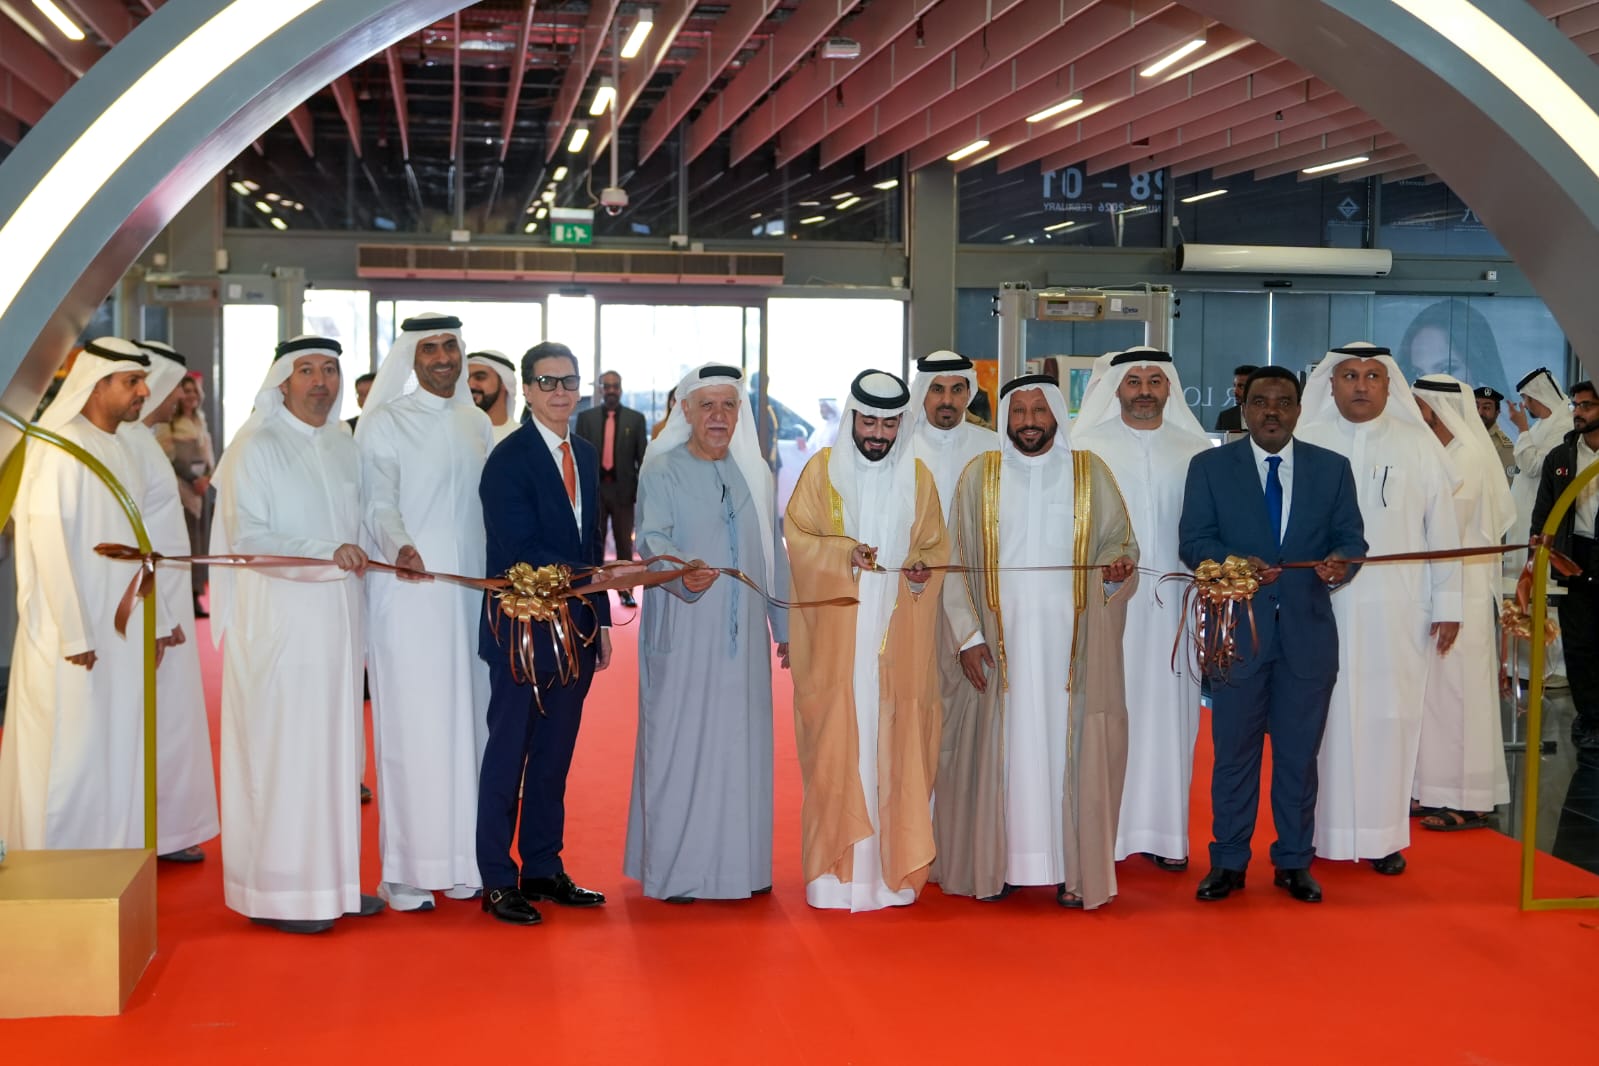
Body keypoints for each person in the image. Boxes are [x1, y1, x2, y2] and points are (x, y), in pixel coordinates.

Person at [934, 374, 1139, 910]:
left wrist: (1116, 571)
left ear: (1055, 416)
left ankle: (1071, 870)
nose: (1028, 421)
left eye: (1039, 410)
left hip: (1072, 650)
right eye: (1019, 411)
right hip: (999, 648)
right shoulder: (979, 475)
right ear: (1006, 418)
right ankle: (1000, 866)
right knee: (1006, 753)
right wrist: (967, 636)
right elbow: (953, 561)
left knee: (1068, 752)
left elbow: (1120, 544)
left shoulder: (1090, 473)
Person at [210, 335, 382, 933]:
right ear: (282, 381)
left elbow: (362, 526)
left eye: (329, 369)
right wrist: (323, 551)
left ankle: (334, 886)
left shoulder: (340, 443)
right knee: (284, 756)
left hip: (336, 626)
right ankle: (279, 895)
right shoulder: (254, 446)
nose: (320, 381)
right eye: (306, 370)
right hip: (278, 629)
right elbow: (249, 538)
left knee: (335, 756)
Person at [1180, 366, 1366, 903]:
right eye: (1261, 401)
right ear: (1244, 407)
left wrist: (1341, 565)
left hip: (1308, 638)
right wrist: (1235, 564)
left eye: (1284, 402)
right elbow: (1194, 541)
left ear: (1299, 410)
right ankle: (1228, 862)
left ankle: (1293, 861)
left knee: (1298, 757)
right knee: (1233, 755)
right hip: (1238, 636)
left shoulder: (1332, 469)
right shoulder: (1210, 468)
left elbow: (1352, 540)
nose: (1272, 412)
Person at [0, 339, 185, 852]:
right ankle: (58, 875)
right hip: (72, 639)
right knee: (71, 755)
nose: (144, 392)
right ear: (95, 385)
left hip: (121, 631)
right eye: (132, 382)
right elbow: (48, 543)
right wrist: (75, 633)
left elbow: (139, 544)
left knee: (117, 749)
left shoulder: (122, 446)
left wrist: (158, 619)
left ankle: (113, 865)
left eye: (142, 381)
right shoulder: (58, 449)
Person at [477, 341, 635, 925]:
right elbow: (520, 549)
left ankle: (542, 866)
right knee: (507, 757)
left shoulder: (585, 454)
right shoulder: (507, 460)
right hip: (520, 631)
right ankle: (498, 879)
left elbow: (589, 540)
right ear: (526, 389)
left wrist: (601, 613)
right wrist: (602, 575)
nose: (560, 391)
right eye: (547, 382)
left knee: (553, 757)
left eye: (569, 381)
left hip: (578, 628)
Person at [625, 363, 789, 903]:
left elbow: (771, 550)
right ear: (687, 411)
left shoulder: (755, 472)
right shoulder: (663, 469)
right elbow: (651, 539)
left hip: (744, 647)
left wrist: (784, 625)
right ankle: (678, 872)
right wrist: (681, 571)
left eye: (728, 405)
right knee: (681, 747)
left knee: (741, 749)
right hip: (686, 630)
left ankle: (741, 870)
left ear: (740, 412)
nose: (718, 416)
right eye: (707, 406)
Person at [1297, 343, 1463, 876]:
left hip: (1398, 608)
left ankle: (1383, 836)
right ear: (1330, 384)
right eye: (1349, 375)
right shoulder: (1306, 441)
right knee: (1320, 721)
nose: (1361, 385)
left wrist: (1449, 603)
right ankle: (1315, 833)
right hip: (1319, 608)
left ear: (1390, 386)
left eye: (1373, 376)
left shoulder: (1418, 446)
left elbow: (1443, 532)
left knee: (1392, 719)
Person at [786, 370, 948, 911]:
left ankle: (889, 875)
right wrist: (845, 554)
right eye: (869, 422)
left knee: (893, 747)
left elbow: (935, 546)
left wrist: (921, 572)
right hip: (839, 644)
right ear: (853, 418)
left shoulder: (919, 478)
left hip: (895, 639)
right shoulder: (821, 472)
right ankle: (834, 876)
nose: (877, 434)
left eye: (888, 424)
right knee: (838, 750)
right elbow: (799, 537)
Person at [357, 312, 494, 913]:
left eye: (450, 347)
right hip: (410, 595)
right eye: (430, 348)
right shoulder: (386, 421)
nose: (442, 358)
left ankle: (463, 861)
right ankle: (407, 872)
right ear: (411, 358)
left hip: (470, 600)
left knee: (470, 725)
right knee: (414, 728)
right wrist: (400, 546)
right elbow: (377, 501)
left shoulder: (475, 422)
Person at [1072, 347, 1212, 872]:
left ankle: (1165, 834)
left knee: (1172, 717)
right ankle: (1105, 835)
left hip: (1177, 606)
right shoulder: (1086, 448)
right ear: (1116, 388)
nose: (1145, 391)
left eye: (1155, 380)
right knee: (1107, 712)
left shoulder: (1195, 449)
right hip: (1108, 606)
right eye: (1134, 381)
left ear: (1170, 387)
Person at [1412, 375, 1515, 828]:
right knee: (1433, 694)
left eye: (1420, 407)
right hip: (1434, 586)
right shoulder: (1433, 451)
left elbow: (1444, 527)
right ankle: (1429, 788)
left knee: (1462, 694)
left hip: (1464, 591)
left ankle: (1471, 798)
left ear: (1439, 410)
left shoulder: (1468, 456)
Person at [132, 342, 219, 862]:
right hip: (144, 608)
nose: (172, 398)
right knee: (150, 721)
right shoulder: (128, 444)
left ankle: (165, 831)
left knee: (171, 720)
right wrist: (159, 616)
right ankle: (146, 835)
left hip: (167, 604)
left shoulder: (142, 443)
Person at [907, 351, 997, 742]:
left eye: (957, 390)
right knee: (913, 703)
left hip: (976, 595)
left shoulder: (993, 448)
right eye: (937, 390)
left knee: (972, 708)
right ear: (922, 394)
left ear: (969, 393)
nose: (947, 400)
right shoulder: (901, 447)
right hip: (912, 594)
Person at [1530, 380, 1599, 751]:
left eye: (1587, 405)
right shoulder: (1561, 457)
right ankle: (1589, 717)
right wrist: (1537, 557)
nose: (1578, 412)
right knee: (1578, 642)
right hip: (1573, 557)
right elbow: (1543, 512)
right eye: (1576, 405)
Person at [148, 354, 216, 618]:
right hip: (182, 491)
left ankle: (197, 593)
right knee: (186, 543)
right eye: (184, 391)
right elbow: (168, 457)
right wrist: (192, 479)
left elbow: (207, 456)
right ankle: (185, 597)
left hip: (201, 491)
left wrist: (207, 478)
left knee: (201, 544)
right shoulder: (169, 425)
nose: (189, 396)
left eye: (192, 391)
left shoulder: (200, 421)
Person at [575, 370, 648, 609]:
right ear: (600, 389)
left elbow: (642, 460)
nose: (611, 390)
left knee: (624, 545)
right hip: (595, 492)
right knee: (593, 543)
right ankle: (593, 592)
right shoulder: (586, 418)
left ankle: (625, 591)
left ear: (621, 389)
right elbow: (578, 459)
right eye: (607, 386)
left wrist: (640, 494)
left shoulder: (635, 419)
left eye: (615, 386)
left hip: (623, 493)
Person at [468, 350, 520, 445]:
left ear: (504, 383)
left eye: (480, 377)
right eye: (466, 379)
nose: (470, 385)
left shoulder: (525, 437)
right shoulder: (455, 432)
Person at [1474, 386, 1516, 481]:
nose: (1480, 412)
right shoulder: (1463, 435)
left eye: (1486, 408)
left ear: (1497, 412)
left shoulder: (1503, 446)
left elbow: (1507, 484)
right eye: (1476, 407)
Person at [1213, 364, 1258, 432]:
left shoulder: (1270, 416)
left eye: (1241, 386)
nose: (1235, 391)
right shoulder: (1225, 417)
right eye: (1234, 386)